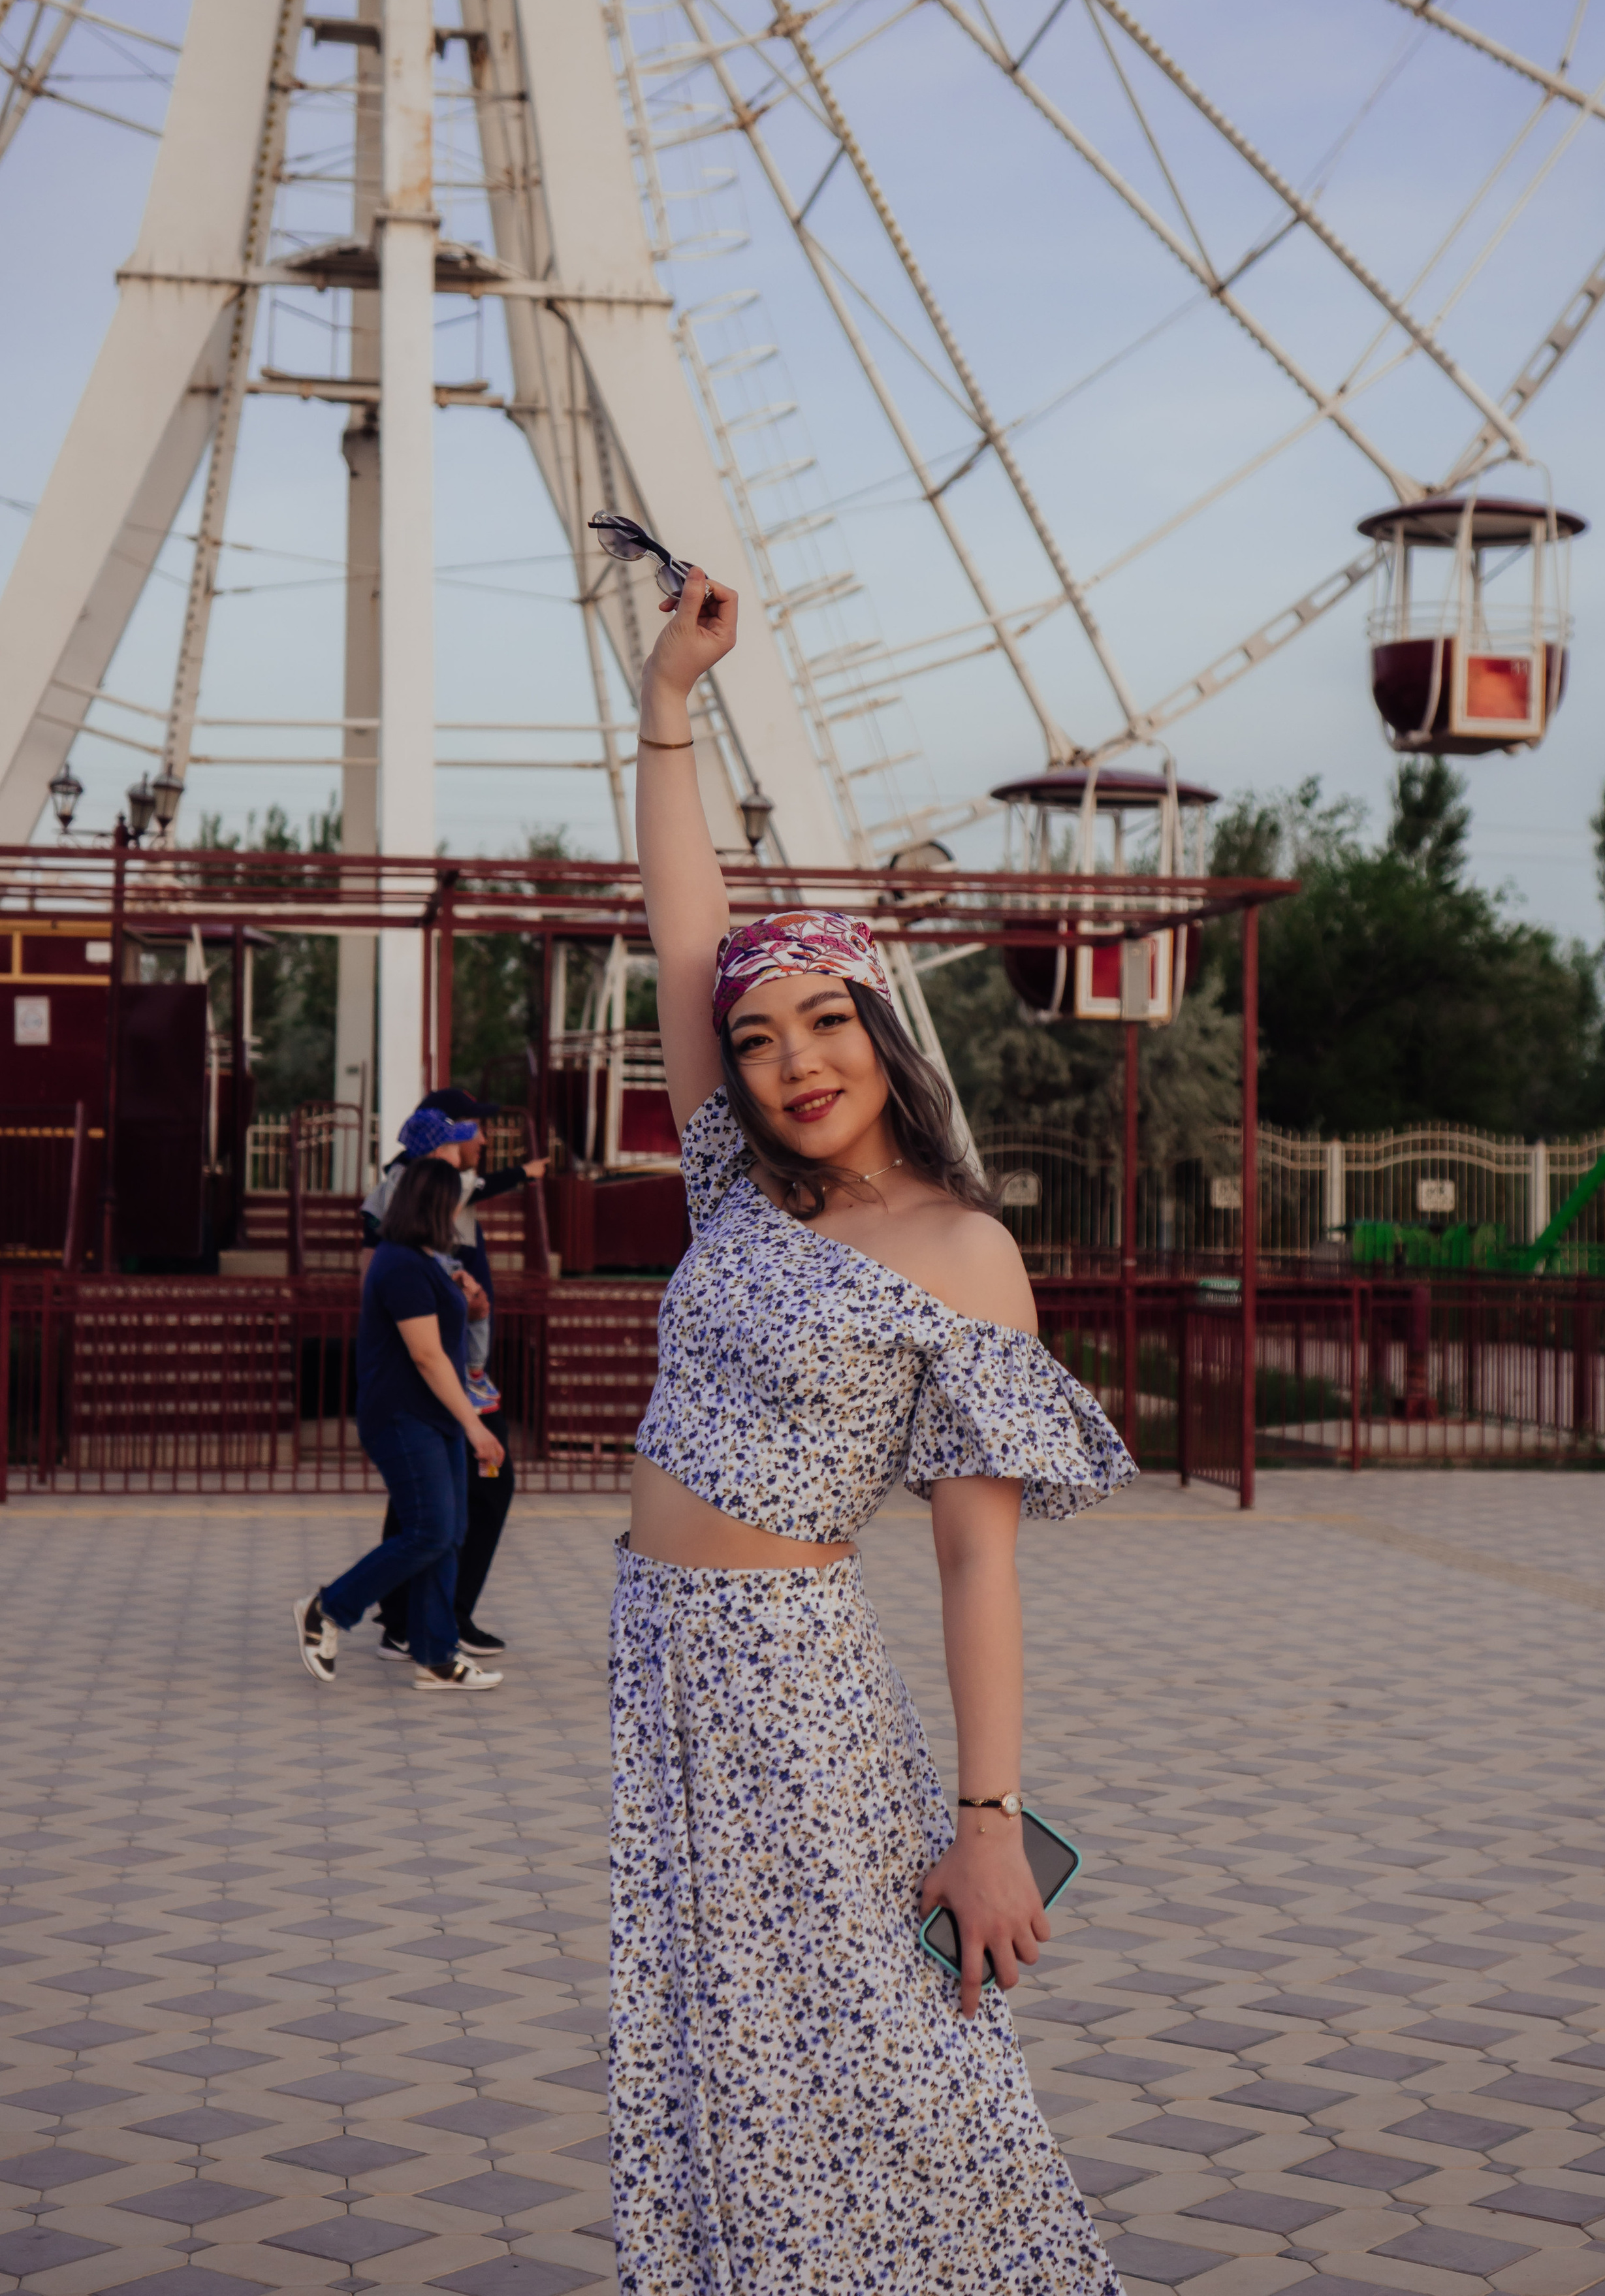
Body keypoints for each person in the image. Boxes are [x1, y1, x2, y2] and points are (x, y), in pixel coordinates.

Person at [612, 560, 1136, 2291]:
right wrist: (669, 705)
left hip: (792, 1682)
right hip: (663, 1662)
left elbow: (979, 1566)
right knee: (716, 2050)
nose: (791, 1063)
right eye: (757, 1041)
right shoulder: (737, 1190)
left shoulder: (963, 1251)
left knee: (879, 2049)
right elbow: (685, 936)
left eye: (825, 1021)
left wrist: (988, 1819)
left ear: (881, 1034)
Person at [293, 1155, 506, 1693]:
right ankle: (328, 1609)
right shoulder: (402, 1266)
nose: (461, 1213)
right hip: (403, 1417)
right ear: (435, 1205)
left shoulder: (427, 1262)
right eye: (456, 1203)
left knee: (448, 1534)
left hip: (434, 1416)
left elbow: (444, 1338)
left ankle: (436, 1657)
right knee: (430, 1530)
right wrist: (476, 1426)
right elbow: (427, 1356)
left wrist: (469, 1305)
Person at [363, 1093, 548, 1659]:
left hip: (460, 1369)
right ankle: (380, 1614)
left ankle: (425, 1624)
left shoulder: (437, 1192)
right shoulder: (416, 1192)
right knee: (455, 1500)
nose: (483, 1141)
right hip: (439, 1376)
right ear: (446, 1139)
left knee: (441, 1502)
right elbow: (404, 1298)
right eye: (474, 1131)